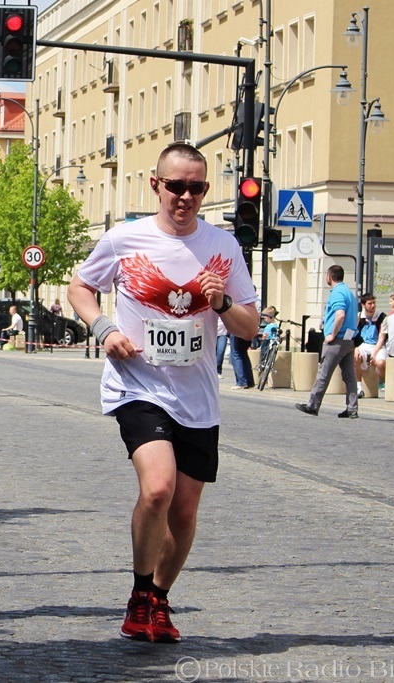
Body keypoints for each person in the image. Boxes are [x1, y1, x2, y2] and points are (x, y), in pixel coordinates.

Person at [67, 142, 258, 643]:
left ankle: (158, 598)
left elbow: (250, 327)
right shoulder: (124, 239)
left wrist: (223, 302)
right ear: (156, 185)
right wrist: (105, 329)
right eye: (176, 186)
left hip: (197, 397)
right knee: (158, 488)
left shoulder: (224, 247)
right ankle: (138, 593)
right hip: (138, 385)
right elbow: (80, 288)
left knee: (185, 510)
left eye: (196, 188)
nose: (185, 196)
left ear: (206, 191)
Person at [296, 265, 360, 418]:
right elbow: (356, 317)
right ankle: (352, 408)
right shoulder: (349, 293)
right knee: (350, 376)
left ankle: (313, 405)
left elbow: (340, 314)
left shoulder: (337, 293)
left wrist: (332, 334)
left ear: (329, 276)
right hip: (349, 340)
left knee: (323, 373)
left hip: (337, 340)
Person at [353, 293, 386, 397]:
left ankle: (387, 384)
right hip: (364, 344)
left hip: (378, 345)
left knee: (380, 363)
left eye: (374, 303)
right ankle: (359, 387)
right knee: (356, 358)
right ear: (363, 305)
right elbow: (354, 335)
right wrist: (356, 348)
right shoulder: (359, 316)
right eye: (370, 303)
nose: (373, 306)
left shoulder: (381, 316)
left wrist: (374, 354)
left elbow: (382, 338)